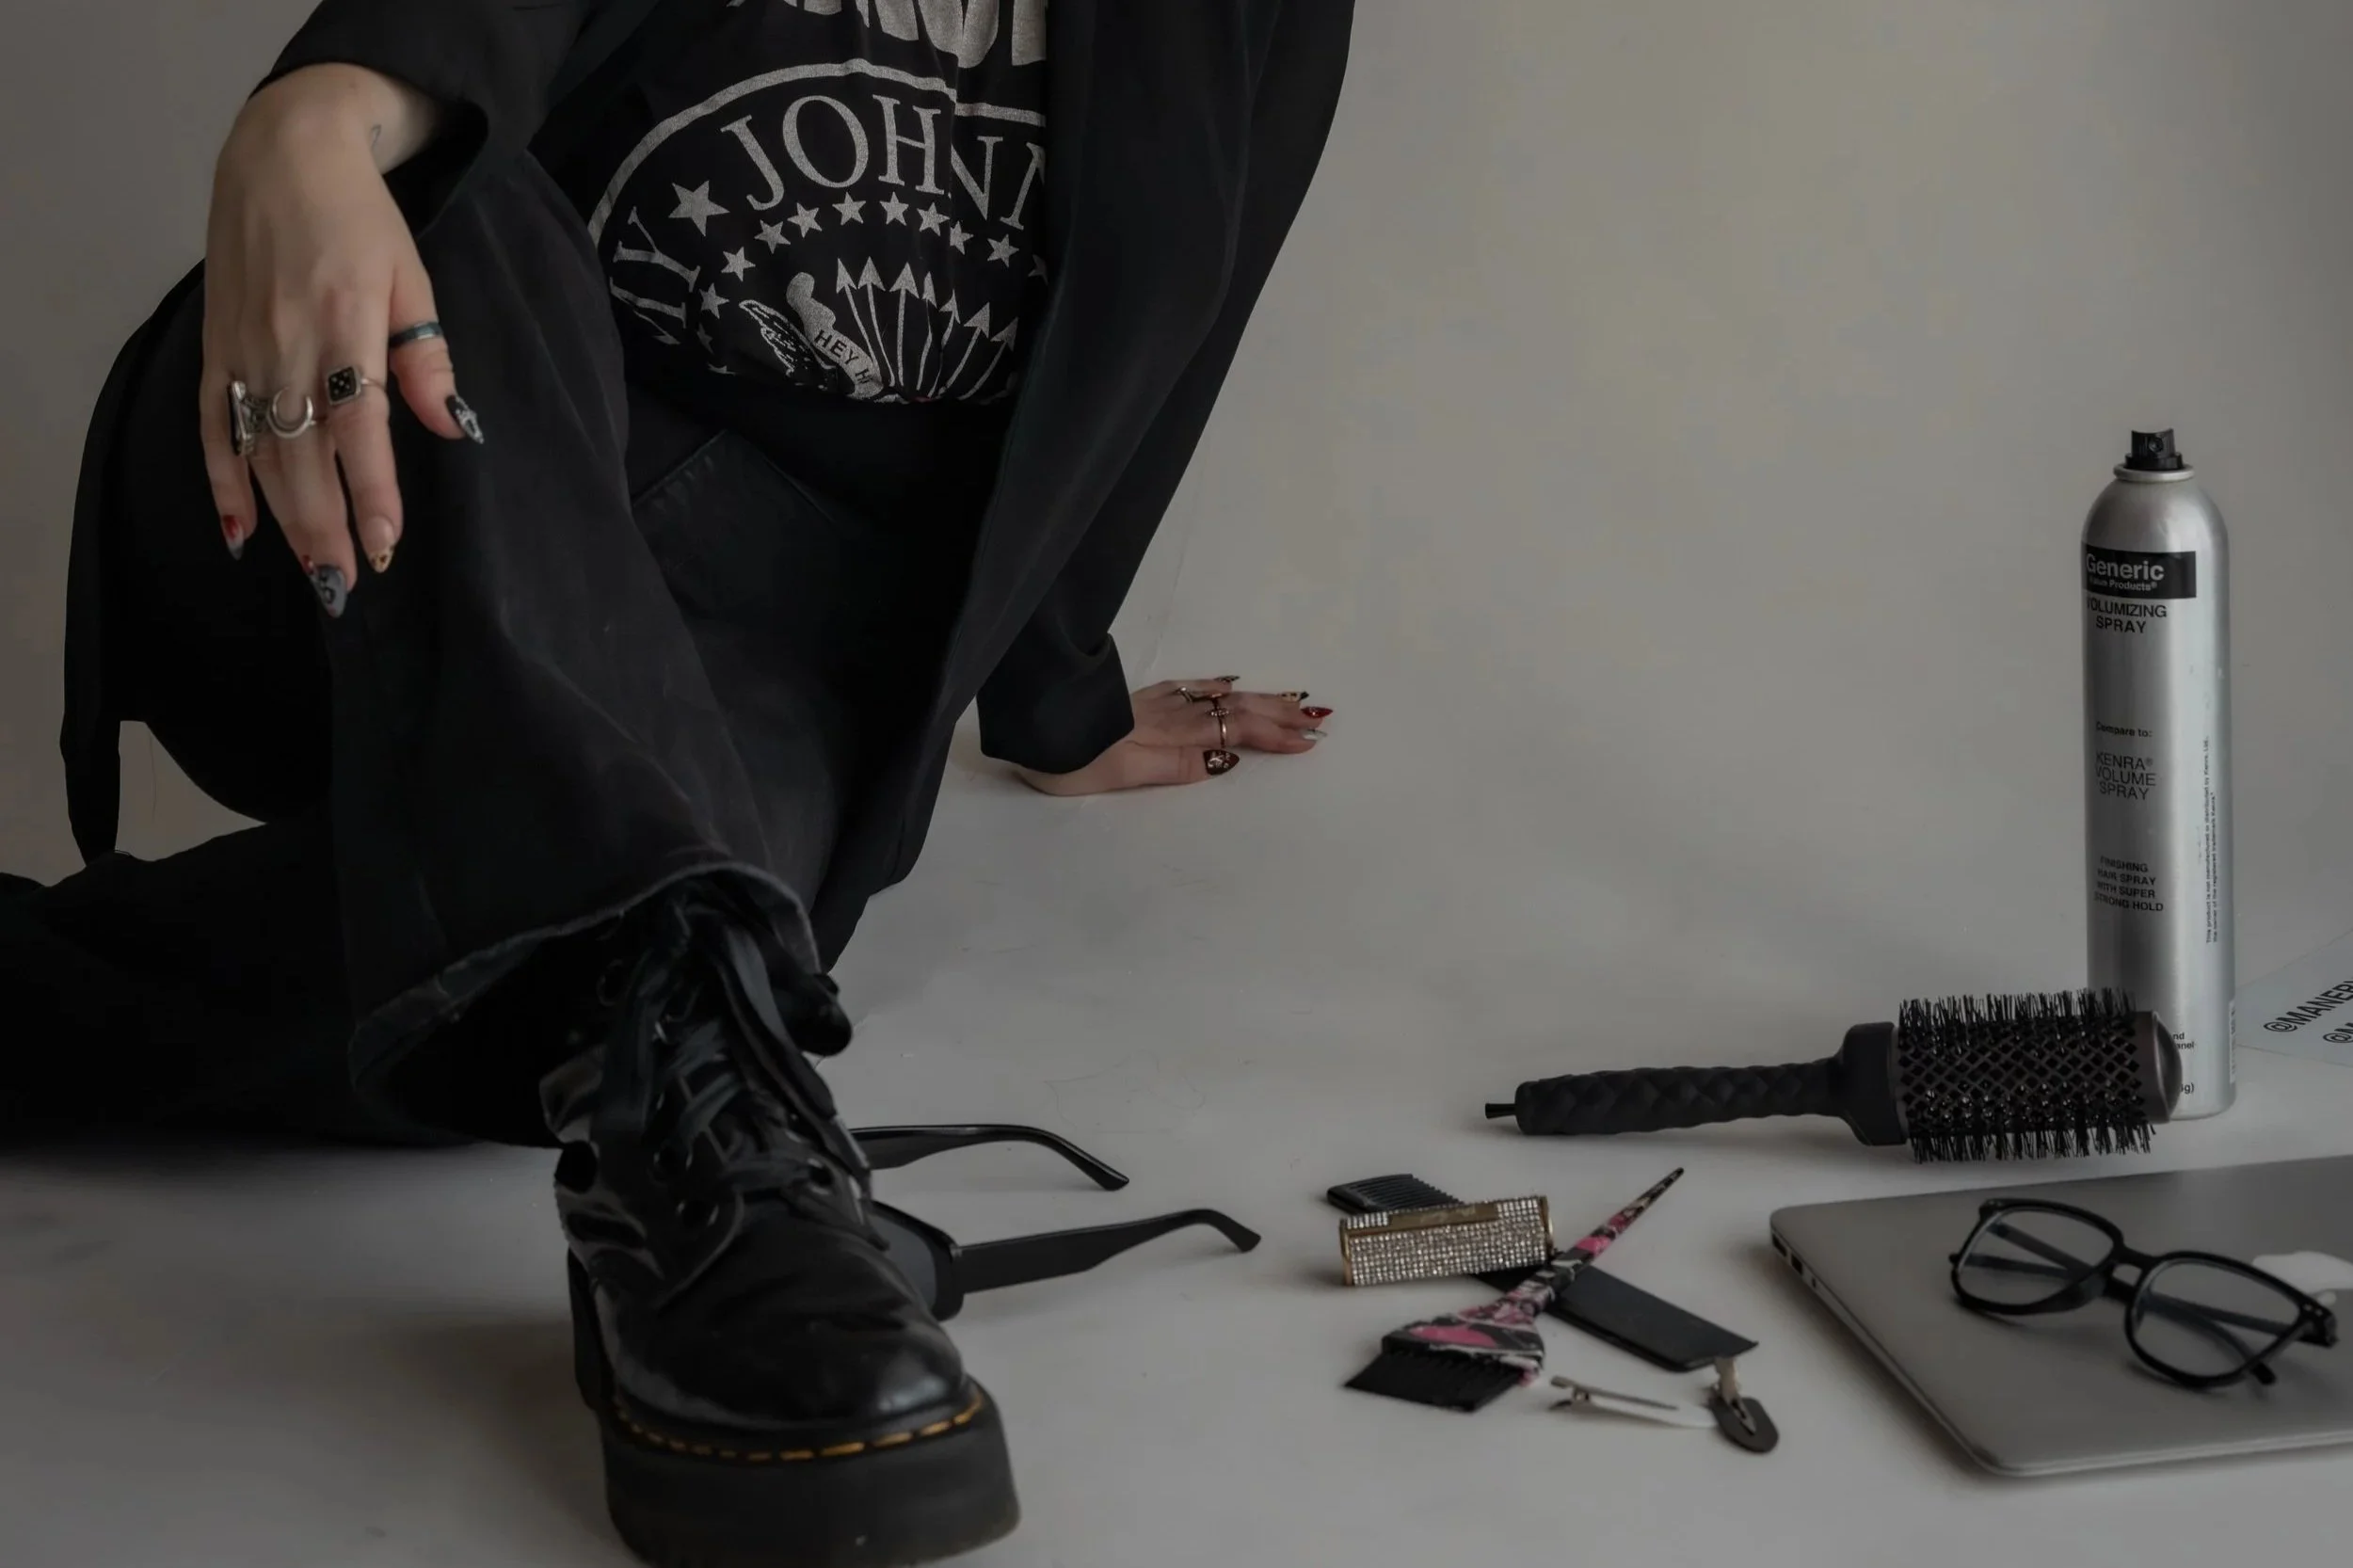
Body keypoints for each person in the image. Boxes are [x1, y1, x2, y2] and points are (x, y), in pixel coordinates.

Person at [4, 2, 1354, 1564]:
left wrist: (1058, 697)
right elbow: (456, 45)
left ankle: (663, 1033)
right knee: (456, 182)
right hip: (384, 475)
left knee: (647, 904)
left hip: (767, 638)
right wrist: (310, 120)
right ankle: (724, 1163)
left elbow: (1156, 347)